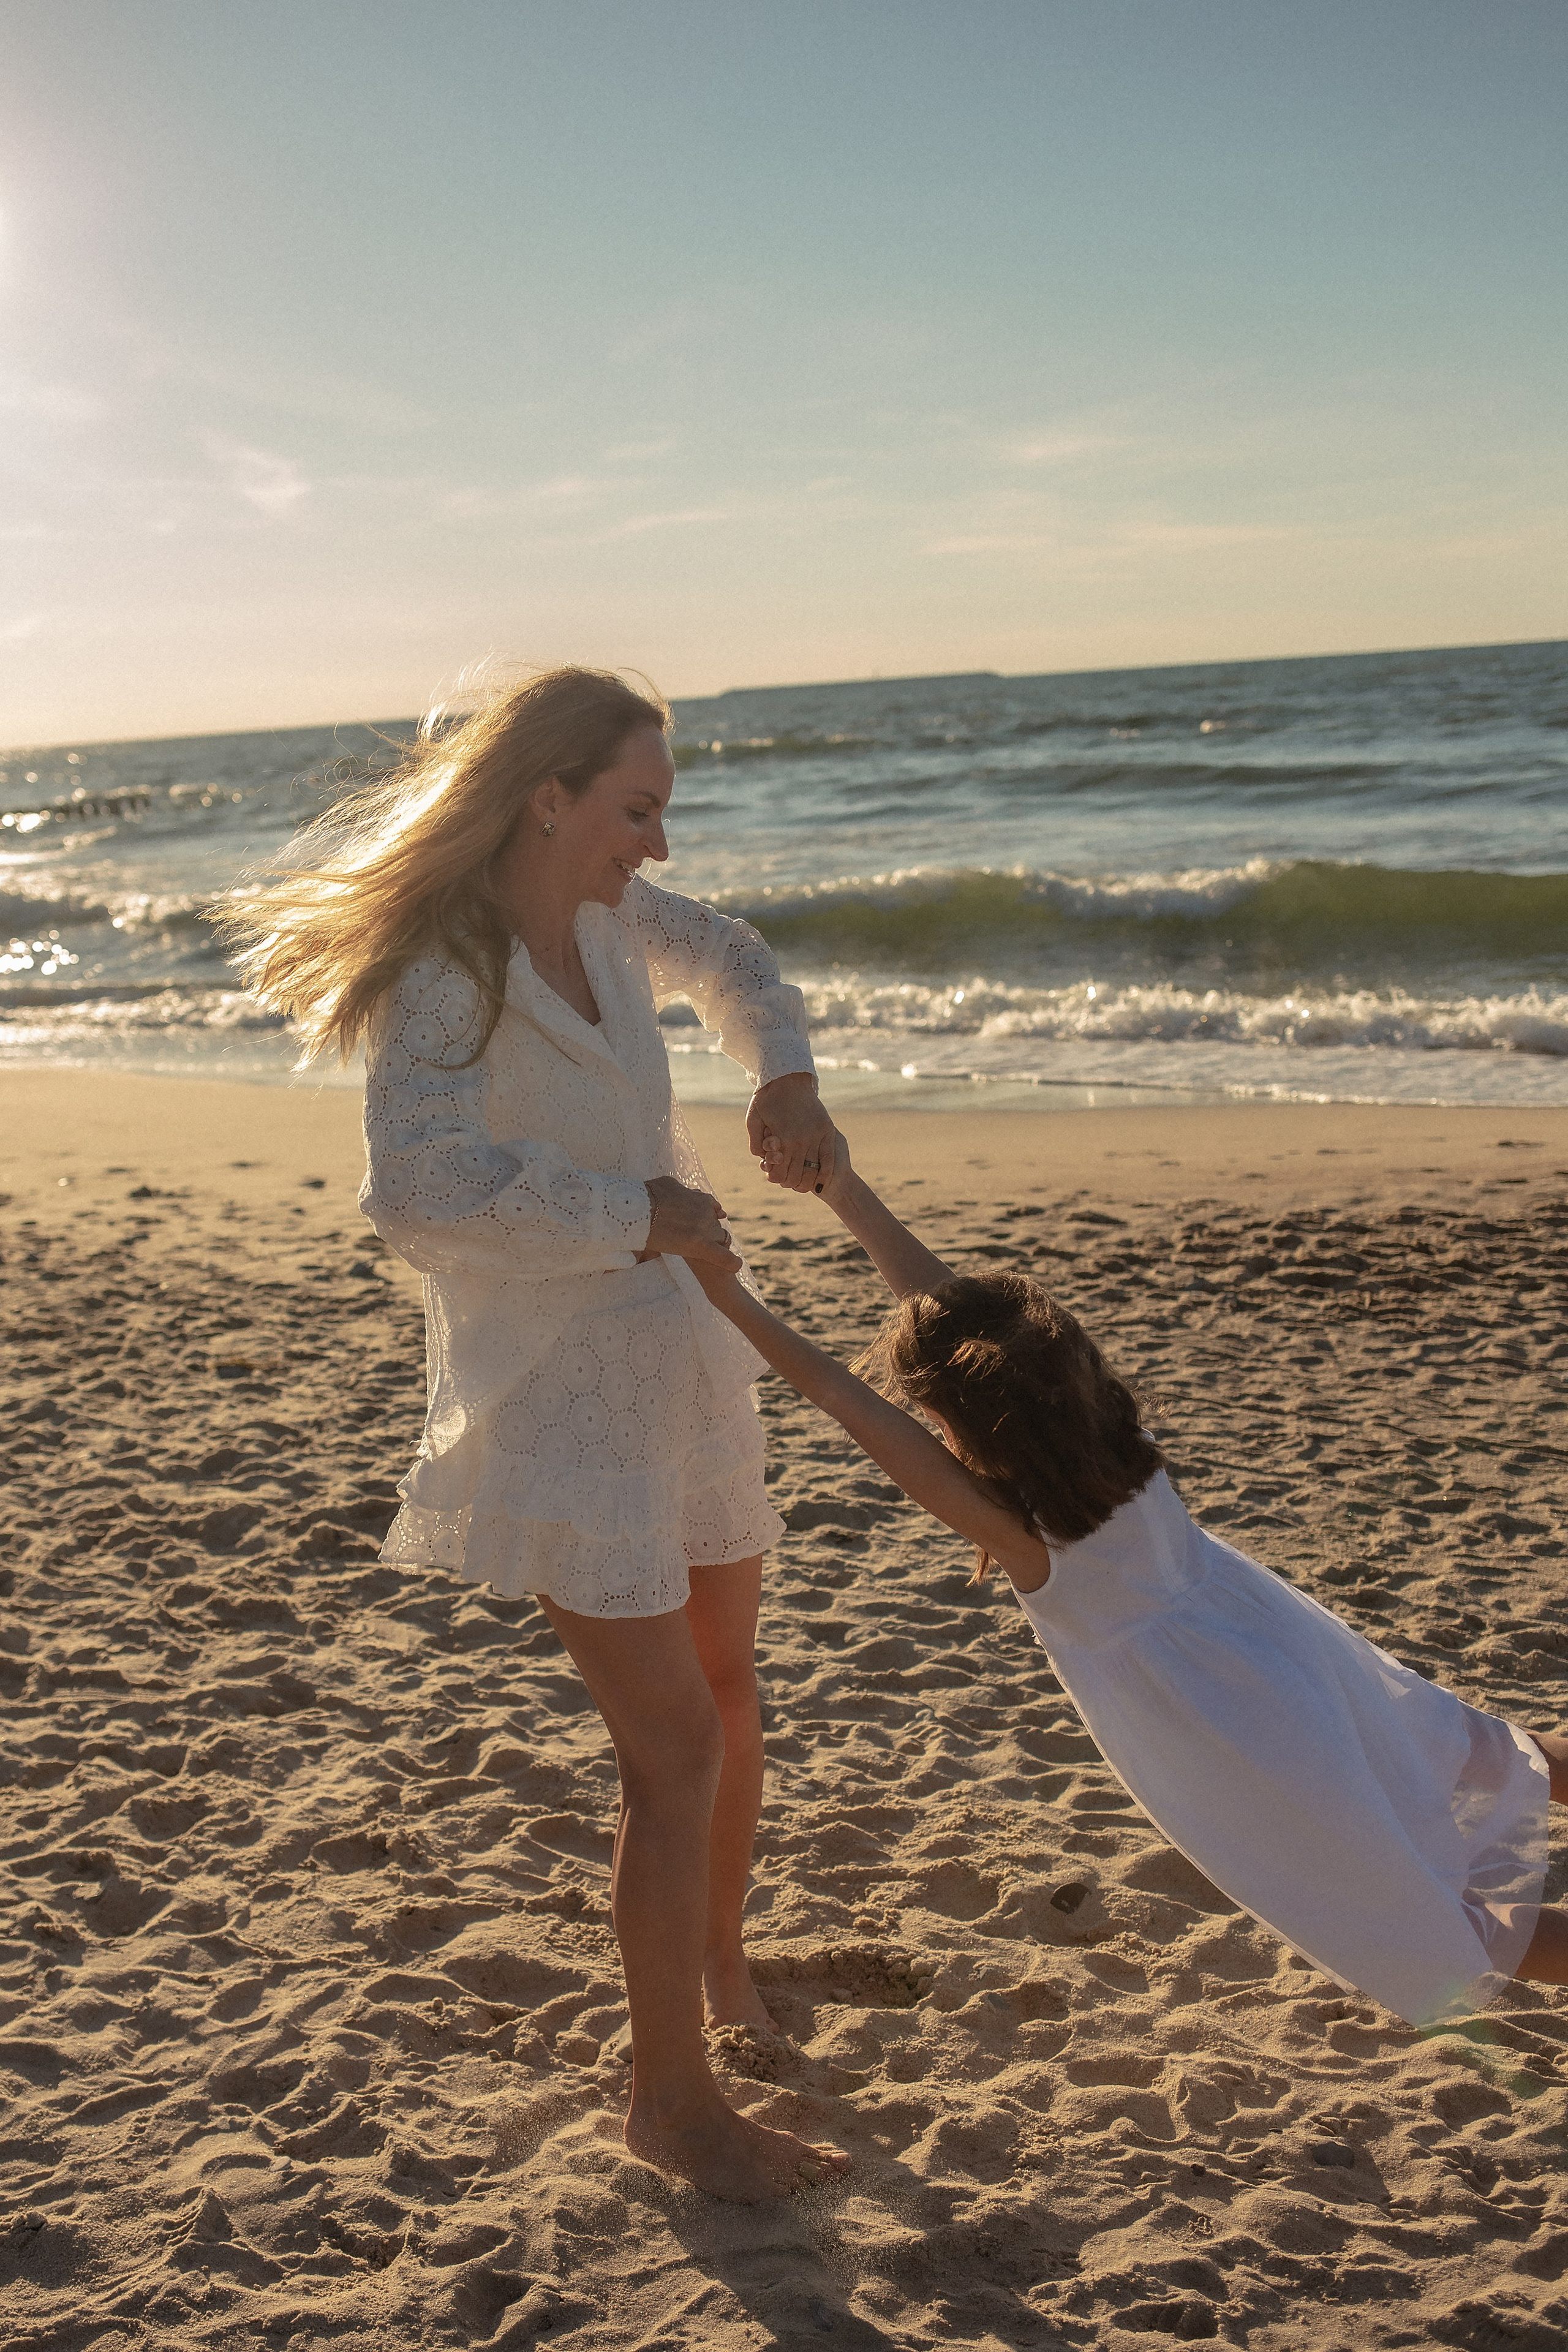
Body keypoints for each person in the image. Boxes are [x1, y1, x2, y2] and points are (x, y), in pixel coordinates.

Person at [222, 665, 848, 2202]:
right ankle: (672, 2108)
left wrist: (785, 1069)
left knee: (729, 1694)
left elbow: (740, 960)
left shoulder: (621, 921)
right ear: (551, 797)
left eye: (662, 815)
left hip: (687, 1367)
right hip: (559, 1400)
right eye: (637, 811)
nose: (654, 846)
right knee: (672, 1748)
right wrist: (631, 1215)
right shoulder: (450, 969)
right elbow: (417, 1191)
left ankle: (717, 1969)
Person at [704, 1133, 1568, 2028]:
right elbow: (964, 1325)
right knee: (1476, 1747)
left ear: (967, 1424)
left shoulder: (1030, 1538)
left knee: (1442, 1919)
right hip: (1281, 1637)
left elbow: (847, 1400)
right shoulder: (1117, 1444)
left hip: (1227, 1720)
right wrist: (844, 1190)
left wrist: (724, 1291)